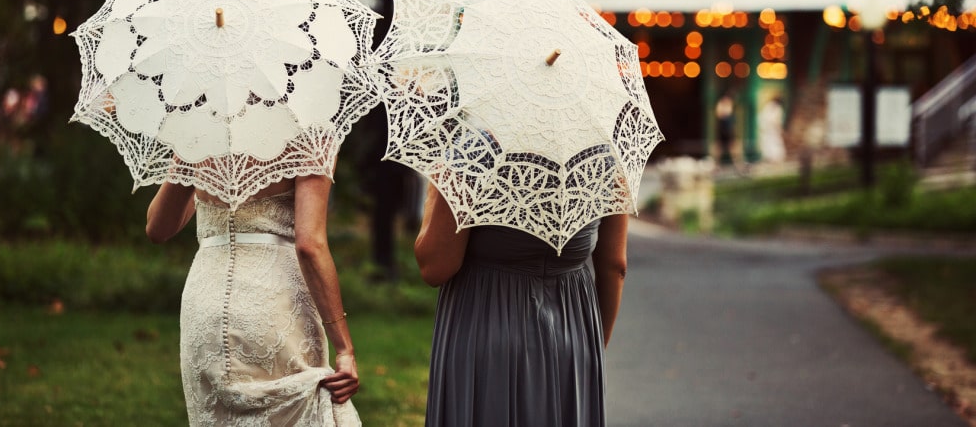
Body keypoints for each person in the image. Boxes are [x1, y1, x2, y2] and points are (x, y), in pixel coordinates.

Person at [146, 171, 361, 426]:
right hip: (273, 300)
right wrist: (344, 349)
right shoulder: (308, 135)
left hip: (205, 302)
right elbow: (310, 245)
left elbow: (157, 228)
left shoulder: (199, 138)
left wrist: (187, 159)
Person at [414, 183, 629, 427]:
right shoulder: (605, 157)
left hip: (482, 330)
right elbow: (615, 267)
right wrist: (591, 347)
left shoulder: (472, 155)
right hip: (573, 337)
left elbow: (435, 266)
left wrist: (437, 187)